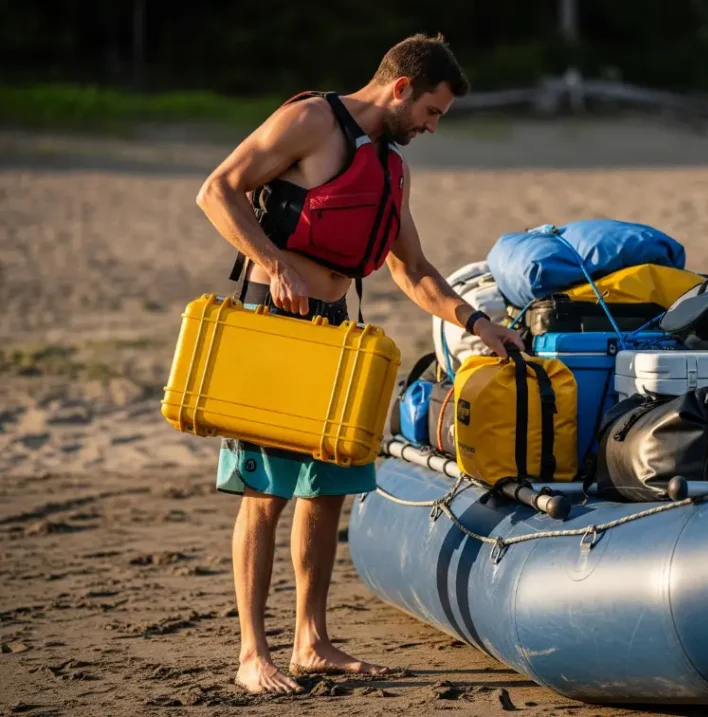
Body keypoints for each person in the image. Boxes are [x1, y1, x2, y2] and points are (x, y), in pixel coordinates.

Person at [195, 33, 525, 695]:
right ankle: (253, 653)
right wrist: (272, 259)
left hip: (336, 332)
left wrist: (480, 323)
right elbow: (217, 191)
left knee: (324, 492)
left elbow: (414, 270)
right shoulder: (311, 121)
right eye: (431, 111)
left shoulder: (392, 169)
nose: (431, 127)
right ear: (400, 87)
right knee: (268, 496)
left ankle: (310, 640)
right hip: (275, 329)